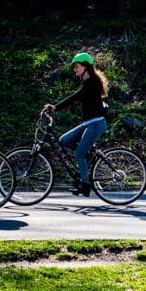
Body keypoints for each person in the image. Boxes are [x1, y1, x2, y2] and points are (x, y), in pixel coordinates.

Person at [44, 52, 109, 197]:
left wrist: (55, 107)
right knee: (64, 140)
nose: (74, 69)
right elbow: (76, 96)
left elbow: (74, 97)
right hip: (88, 123)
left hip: (96, 124)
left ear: (86, 67)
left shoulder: (92, 83)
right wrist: (56, 107)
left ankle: (85, 185)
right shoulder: (86, 82)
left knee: (79, 153)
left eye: (77, 66)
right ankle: (89, 152)